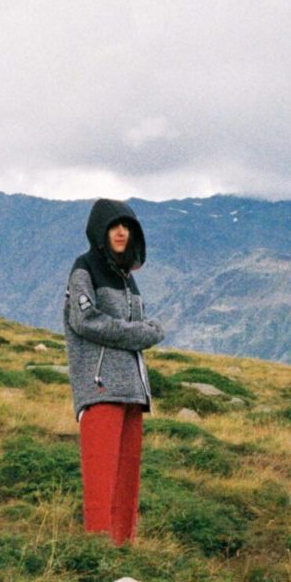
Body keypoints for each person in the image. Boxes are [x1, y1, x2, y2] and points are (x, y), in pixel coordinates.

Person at [63, 198, 164, 546]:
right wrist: (143, 333)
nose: (122, 232)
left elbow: (126, 325)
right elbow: (84, 320)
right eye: (114, 225)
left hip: (133, 393)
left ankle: (123, 555)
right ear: (100, 230)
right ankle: (96, 556)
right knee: (101, 481)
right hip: (101, 387)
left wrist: (142, 330)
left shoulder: (126, 278)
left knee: (126, 483)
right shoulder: (85, 268)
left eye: (127, 226)